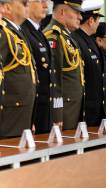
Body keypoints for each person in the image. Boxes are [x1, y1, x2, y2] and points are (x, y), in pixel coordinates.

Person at [43, 0, 84, 130]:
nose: (80, 17)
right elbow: (54, 79)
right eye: (76, 12)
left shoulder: (67, 36)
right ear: (62, 11)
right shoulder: (53, 36)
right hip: (64, 111)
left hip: (72, 108)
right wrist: (57, 113)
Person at [22, 0, 60, 134]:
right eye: (40, 1)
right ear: (26, 3)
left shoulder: (38, 32)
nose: (45, 6)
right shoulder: (24, 32)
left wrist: (55, 112)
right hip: (34, 111)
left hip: (45, 110)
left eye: (46, 2)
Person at [0, 0, 36, 138]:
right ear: (7, 7)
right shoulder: (4, 33)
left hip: (22, 113)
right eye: (24, 3)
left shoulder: (17, 32)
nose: (28, 6)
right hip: (9, 115)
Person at [72, 0, 106, 127]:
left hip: (96, 107)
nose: (99, 24)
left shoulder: (89, 39)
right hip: (86, 108)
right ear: (91, 20)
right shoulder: (76, 39)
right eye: (98, 20)